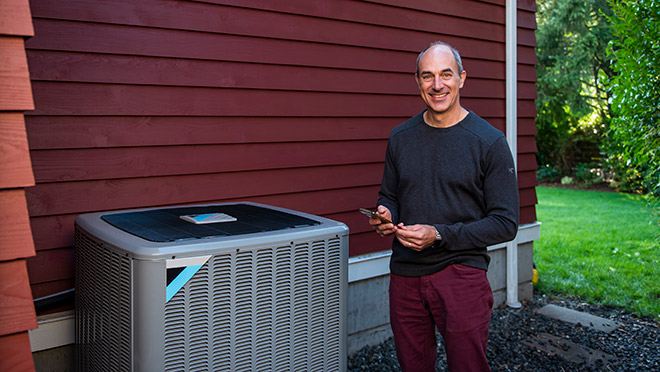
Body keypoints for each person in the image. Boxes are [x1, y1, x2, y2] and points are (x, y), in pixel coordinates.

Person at [369, 41, 519, 372]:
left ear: (462, 78)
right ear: (418, 82)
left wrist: (439, 235)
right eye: (428, 76)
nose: (437, 85)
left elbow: (506, 223)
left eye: (446, 74)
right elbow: (389, 195)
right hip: (405, 274)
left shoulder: (490, 143)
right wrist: (385, 214)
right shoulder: (400, 138)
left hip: (461, 274)